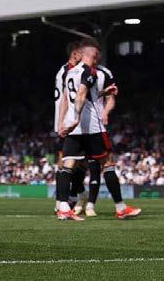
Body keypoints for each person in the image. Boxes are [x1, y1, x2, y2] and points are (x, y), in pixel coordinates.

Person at [57, 38, 140, 221]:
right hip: (91, 127)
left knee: (67, 165)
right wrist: (77, 118)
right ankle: (120, 208)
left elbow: (79, 96)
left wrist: (103, 93)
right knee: (108, 164)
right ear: (92, 54)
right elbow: (81, 95)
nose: (97, 58)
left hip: (74, 129)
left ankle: (63, 207)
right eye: (96, 55)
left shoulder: (70, 72)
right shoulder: (89, 71)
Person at [54, 41, 83, 214]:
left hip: (66, 121)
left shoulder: (65, 71)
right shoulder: (69, 71)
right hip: (68, 122)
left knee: (74, 162)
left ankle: (68, 198)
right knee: (67, 163)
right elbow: (65, 99)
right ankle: (64, 200)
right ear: (74, 54)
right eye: (80, 52)